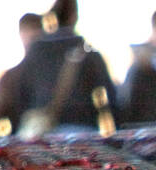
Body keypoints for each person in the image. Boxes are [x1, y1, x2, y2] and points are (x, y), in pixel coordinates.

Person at [12, 0, 118, 134]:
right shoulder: (88, 52)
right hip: (82, 129)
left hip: (44, 132)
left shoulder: (36, 51)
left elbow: (20, 94)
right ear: (75, 16)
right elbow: (108, 96)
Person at [0, 13, 43, 138]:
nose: (33, 35)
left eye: (35, 30)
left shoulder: (11, 76)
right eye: (29, 30)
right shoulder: (10, 77)